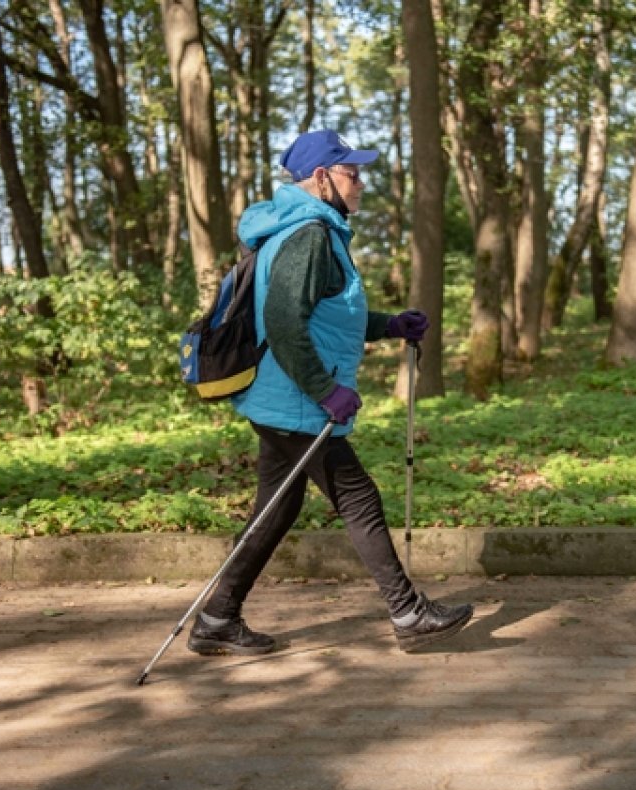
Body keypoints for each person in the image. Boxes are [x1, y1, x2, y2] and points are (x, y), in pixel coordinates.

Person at [187, 129, 473, 656]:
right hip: (297, 398)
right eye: (353, 173)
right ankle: (408, 612)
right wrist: (324, 390)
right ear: (322, 178)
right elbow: (283, 320)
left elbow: (322, 317)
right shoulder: (311, 235)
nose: (362, 183)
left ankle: (217, 618)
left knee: (277, 506)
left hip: (282, 396)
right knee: (357, 494)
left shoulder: (309, 231)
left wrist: (389, 326)